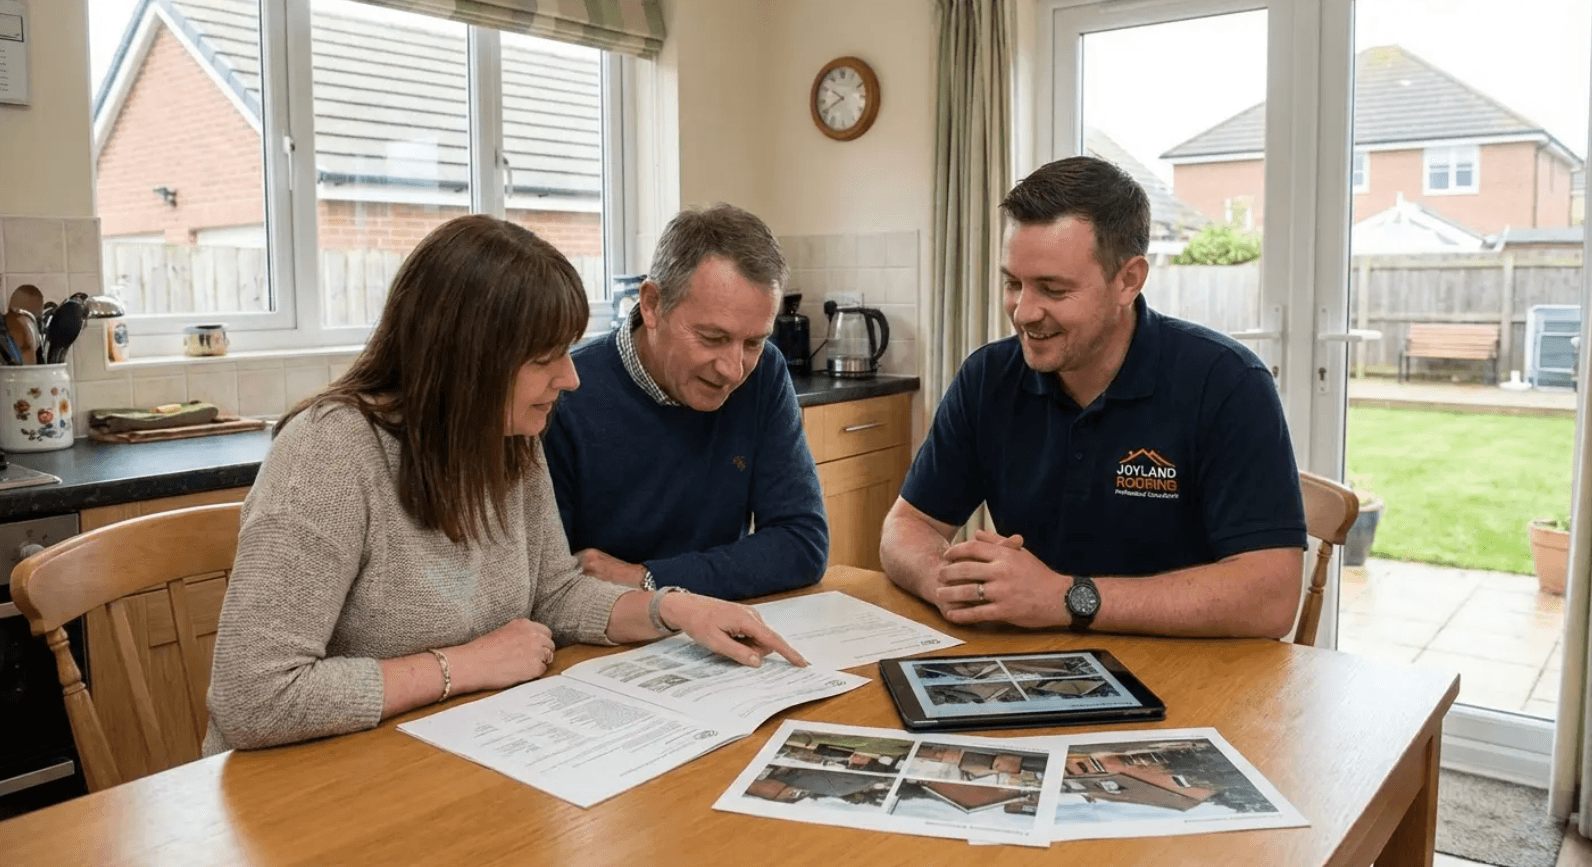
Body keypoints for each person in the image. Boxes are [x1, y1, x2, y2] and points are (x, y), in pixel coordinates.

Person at [205, 215, 805, 754]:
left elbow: (556, 593)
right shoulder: (328, 452)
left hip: (447, 749)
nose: (571, 379)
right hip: (314, 786)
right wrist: (463, 666)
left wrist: (671, 607)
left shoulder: (510, 438)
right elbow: (254, 697)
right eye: (546, 358)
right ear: (468, 360)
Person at [880, 156, 1306, 638]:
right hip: (1031, 671)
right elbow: (906, 527)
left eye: (1053, 289)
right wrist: (947, 584)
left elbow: (1270, 597)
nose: (1023, 312)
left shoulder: (1228, 382)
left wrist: (1066, 598)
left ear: (1128, 280)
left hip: (1194, 676)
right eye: (1013, 283)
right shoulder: (987, 377)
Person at [542, 204, 827, 600]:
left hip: (714, 631)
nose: (733, 369)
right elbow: (550, 585)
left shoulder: (764, 374)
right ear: (652, 305)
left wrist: (648, 579)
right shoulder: (563, 394)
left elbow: (803, 544)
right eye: (712, 338)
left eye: (753, 342)